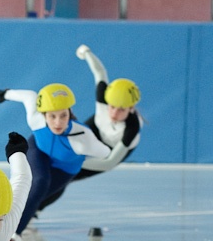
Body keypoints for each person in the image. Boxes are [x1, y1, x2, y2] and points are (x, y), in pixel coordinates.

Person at [0, 82, 110, 241]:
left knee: (41, 197)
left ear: (70, 113)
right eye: (52, 116)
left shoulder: (83, 137)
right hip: (39, 149)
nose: (58, 122)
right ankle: (13, 234)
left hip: (65, 168)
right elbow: (29, 95)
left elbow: (106, 152)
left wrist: (99, 142)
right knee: (38, 183)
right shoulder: (36, 119)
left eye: (63, 116)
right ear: (44, 114)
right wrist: (3, 94)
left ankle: (21, 216)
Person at [36, 44, 144, 212]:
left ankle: (35, 210)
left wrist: (75, 160)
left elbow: (109, 163)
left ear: (131, 108)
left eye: (121, 109)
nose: (114, 113)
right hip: (96, 128)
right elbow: (100, 72)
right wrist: (86, 52)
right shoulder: (104, 100)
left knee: (67, 175)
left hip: (110, 151)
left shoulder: (131, 130)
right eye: (112, 106)